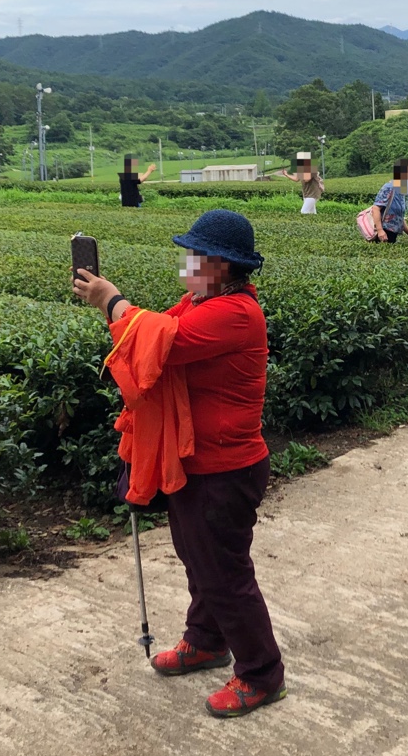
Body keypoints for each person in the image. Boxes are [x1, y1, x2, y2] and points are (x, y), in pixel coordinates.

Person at [72, 209, 286, 718]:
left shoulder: (236, 313)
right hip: (196, 462)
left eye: (195, 256)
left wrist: (110, 298)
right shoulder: (199, 303)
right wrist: (113, 306)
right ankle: (207, 641)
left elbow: (160, 342)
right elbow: (145, 333)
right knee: (201, 561)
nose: (186, 263)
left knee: (225, 574)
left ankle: (262, 674)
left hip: (225, 469)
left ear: (221, 265)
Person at [370, 158, 408, 242]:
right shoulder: (389, 187)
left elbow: (398, 218)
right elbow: (376, 208)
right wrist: (380, 231)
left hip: (392, 234)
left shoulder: (401, 191)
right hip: (383, 233)